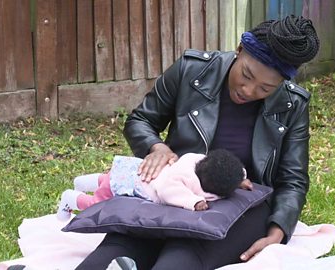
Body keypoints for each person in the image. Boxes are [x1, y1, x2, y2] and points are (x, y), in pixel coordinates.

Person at [76, 14, 320, 270]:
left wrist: (277, 231)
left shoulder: (293, 105)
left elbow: (293, 179)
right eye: (246, 75)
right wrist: (156, 147)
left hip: (243, 202)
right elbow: (140, 120)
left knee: (180, 259)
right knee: (114, 253)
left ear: (281, 84)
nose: (249, 90)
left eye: (265, 89)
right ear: (239, 50)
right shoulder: (191, 69)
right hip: (175, 188)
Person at [57, 149, 252, 220]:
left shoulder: (197, 159)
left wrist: (240, 179)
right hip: (132, 184)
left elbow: (231, 168)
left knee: (107, 178)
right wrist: (193, 201)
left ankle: (83, 182)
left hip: (131, 170)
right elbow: (168, 192)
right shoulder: (184, 178)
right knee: (98, 205)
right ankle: (71, 199)